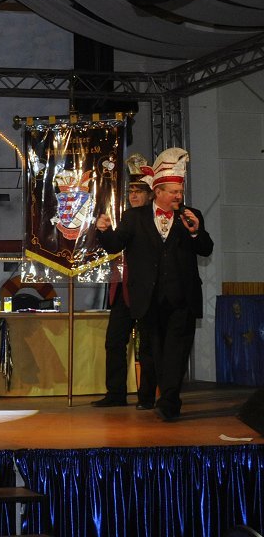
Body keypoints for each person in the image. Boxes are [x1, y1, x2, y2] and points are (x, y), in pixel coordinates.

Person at [96, 147, 213, 422]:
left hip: (182, 298)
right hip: (148, 299)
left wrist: (195, 232)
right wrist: (103, 230)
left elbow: (206, 249)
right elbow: (114, 245)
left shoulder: (191, 215)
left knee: (177, 352)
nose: (178, 196)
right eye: (173, 192)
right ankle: (164, 398)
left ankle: (170, 402)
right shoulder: (134, 217)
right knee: (156, 353)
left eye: (180, 192)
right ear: (158, 192)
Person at [91, 154, 157, 409]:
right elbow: (114, 245)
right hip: (122, 287)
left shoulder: (155, 219)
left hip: (145, 290)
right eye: (131, 191)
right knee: (114, 341)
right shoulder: (128, 216)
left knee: (147, 345)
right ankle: (116, 394)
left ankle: (147, 396)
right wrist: (104, 230)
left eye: (139, 191)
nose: (133, 195)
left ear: (150, 194)